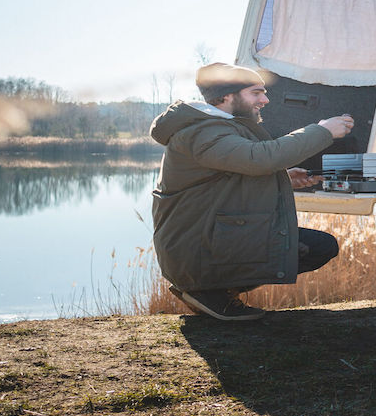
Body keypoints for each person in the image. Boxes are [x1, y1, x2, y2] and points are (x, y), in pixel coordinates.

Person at [149, 62, 355, 321]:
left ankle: (215, 290)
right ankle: (207, 290)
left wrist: (284, 179)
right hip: (200, 246)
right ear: (226, 97)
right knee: (314, 247)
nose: (265, 100)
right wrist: (322, 131)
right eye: (255, 93)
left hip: (208, 238)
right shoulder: (202, 131)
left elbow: (227, 178)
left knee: (319, 246)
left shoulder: (217, 127)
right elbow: (258, 159)